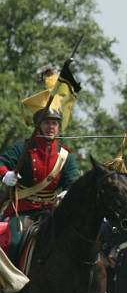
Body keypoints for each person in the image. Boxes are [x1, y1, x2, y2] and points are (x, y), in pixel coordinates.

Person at [0, 107, 80, 263]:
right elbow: (1, 163)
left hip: (50, 212)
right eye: (47, 123)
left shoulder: (65, 155)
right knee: (12, 242)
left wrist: (68, 191)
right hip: (21, 211)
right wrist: (5, 175)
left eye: (55, 123)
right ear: (38, 125)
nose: (51, 127)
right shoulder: (23, 148)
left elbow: (72, 181)